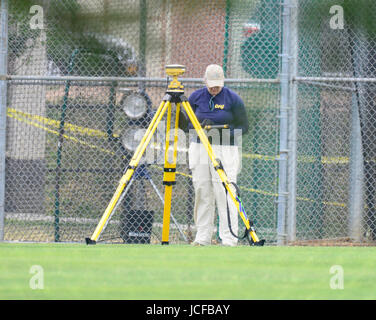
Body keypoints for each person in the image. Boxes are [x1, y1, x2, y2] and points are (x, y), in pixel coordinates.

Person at [187, 64, 249, 246]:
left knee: (225, 192)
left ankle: (229, 238)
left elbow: (243, 127)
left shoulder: (233, 99)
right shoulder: (196, 97)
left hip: (226, 149)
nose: (214, 88)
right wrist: (200, 127)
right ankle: (202, 237)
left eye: (218, 84)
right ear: (204, 81)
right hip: (200, 148)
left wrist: (223, 132)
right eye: (211, 84)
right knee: (202, 190)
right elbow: (186, 123)